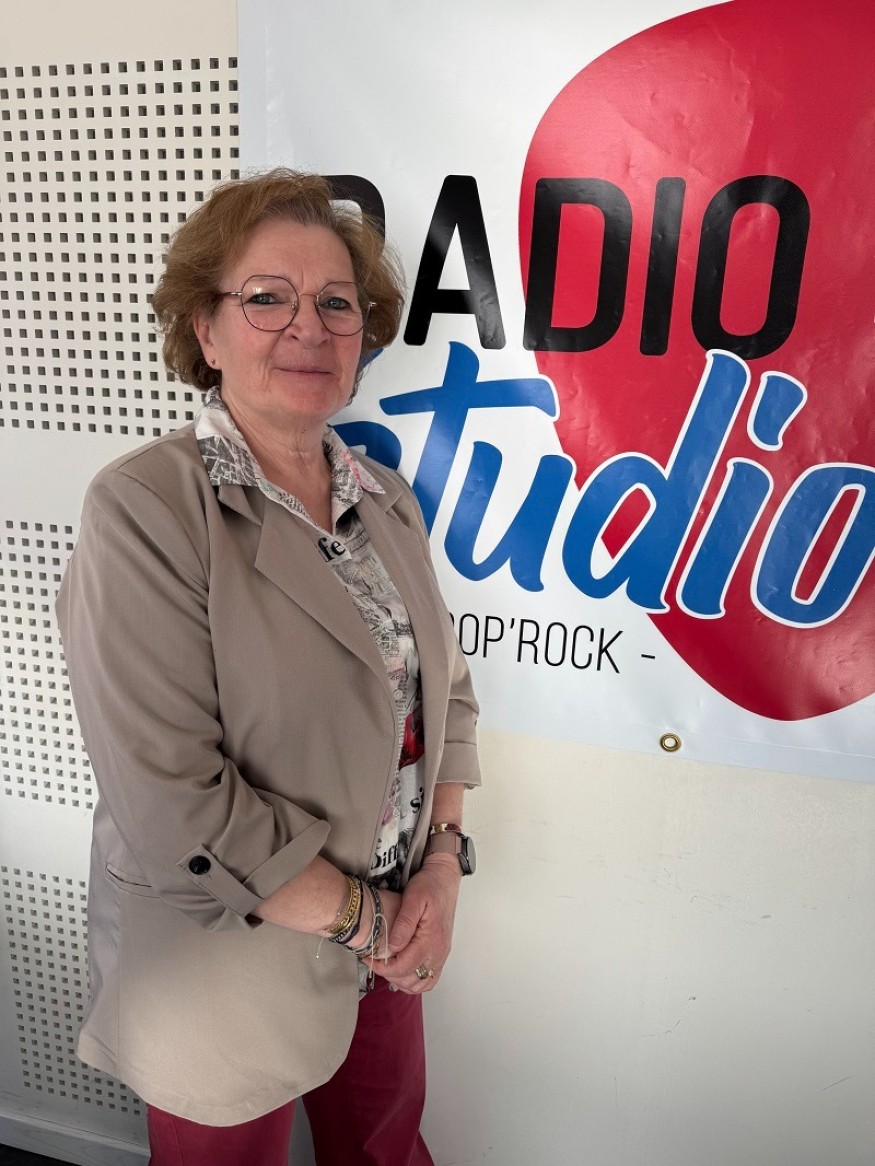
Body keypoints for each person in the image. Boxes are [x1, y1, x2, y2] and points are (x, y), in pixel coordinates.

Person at [55, 168, 480, 1166]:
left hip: (390, 944)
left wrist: (441, 867)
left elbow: (447, 699)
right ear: (205, 330)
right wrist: (369, 919)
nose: (308, 328)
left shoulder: (386, 500)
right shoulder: (145, 508)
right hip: (228, 958)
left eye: (336, 303)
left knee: (384, 1152)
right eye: (266, 298)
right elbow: (174, 801)